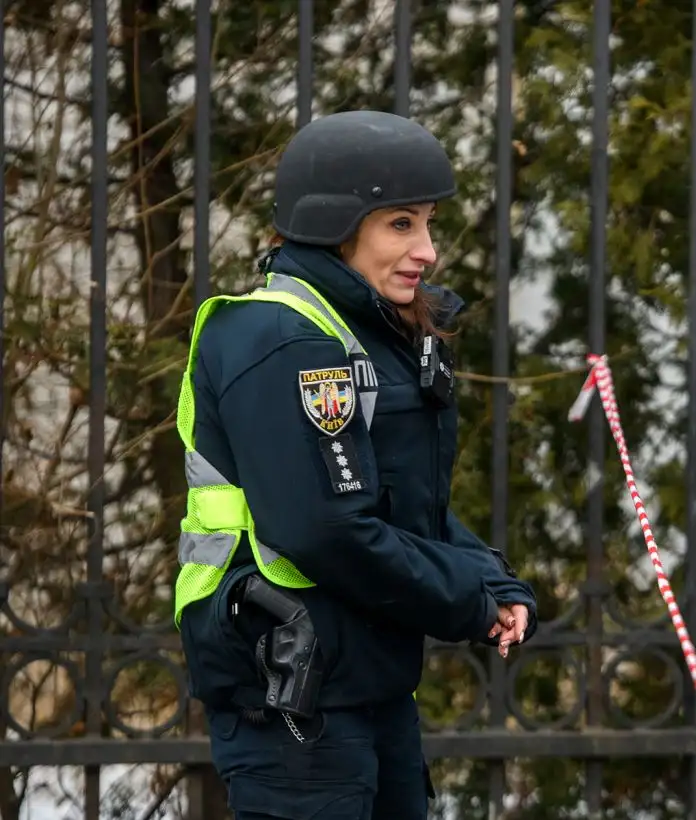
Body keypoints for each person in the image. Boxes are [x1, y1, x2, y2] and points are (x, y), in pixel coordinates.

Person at [171, 110, 538, 820]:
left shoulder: (365, 332)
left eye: (428, 223)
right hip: (293, 698)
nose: (427, 250)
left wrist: (492, 577)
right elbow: (327, 530)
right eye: (401, 224)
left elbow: (394, 501)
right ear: (335, 225)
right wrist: (468, 598)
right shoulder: (283, 339)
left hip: (361, 683)